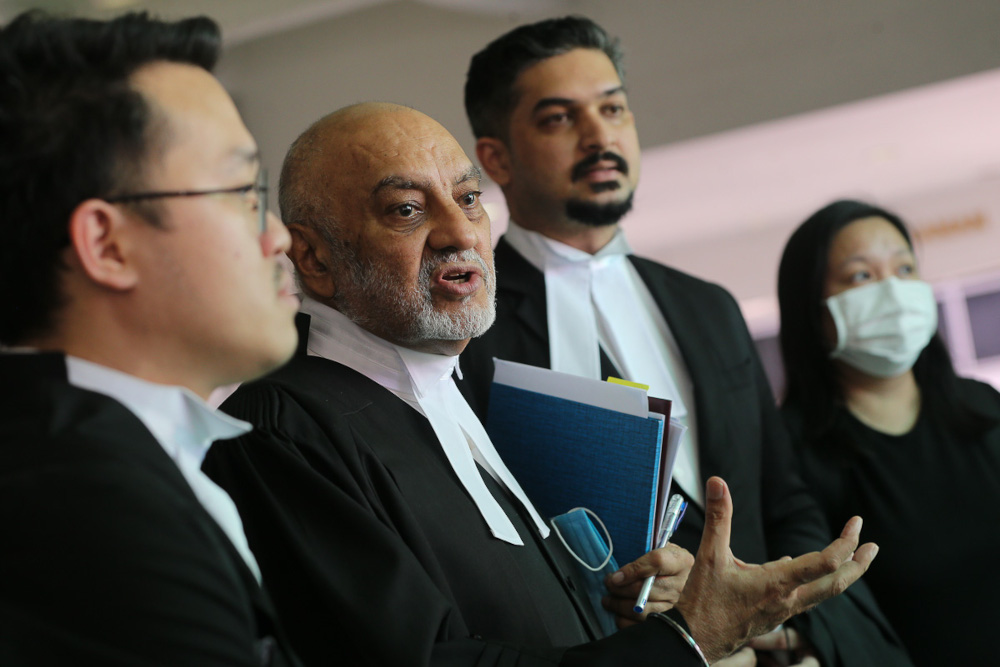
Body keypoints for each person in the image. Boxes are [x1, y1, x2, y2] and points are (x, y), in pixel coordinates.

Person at [203, 101, 878, 667]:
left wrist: (635, 609)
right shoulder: (279, 428)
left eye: (468, 199)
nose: (457, 231)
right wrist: (684, 641)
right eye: (407, 209)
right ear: (313, 258)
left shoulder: (460, 392)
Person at [458, 15, 912, 667]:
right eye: (560, 118)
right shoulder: (471, 332)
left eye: (613, 108)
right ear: (496, 155)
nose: (599, 136)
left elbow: (783, 496)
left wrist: (784, 622)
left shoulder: (708, 306)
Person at [0, 11, 301, 665]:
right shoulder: (82, 508)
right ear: (109, 244)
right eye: (244, 190)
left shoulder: (112, 455)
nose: (277, 234)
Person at [777, 199, 1000, 666]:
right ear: (812, 308)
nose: (894, 292)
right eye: (861, 275)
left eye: (905, 267)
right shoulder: (792, 455)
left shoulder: (983, 406)